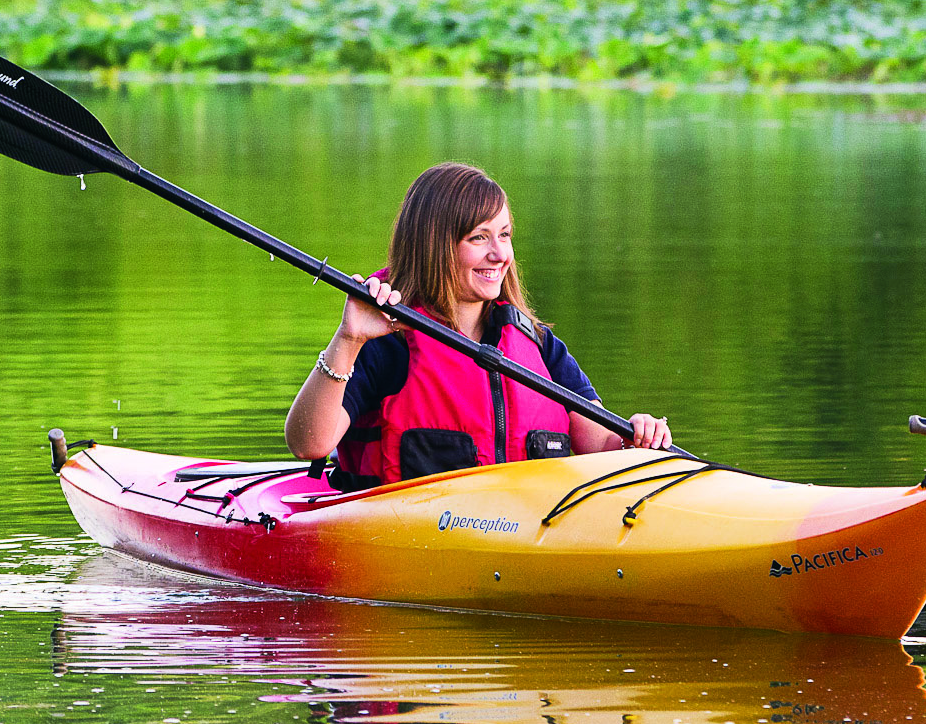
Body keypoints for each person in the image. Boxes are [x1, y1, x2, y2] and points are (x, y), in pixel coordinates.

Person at [285, 162, 671, 488]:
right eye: (479, 237)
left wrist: (636, 437)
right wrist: (349, 338)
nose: (499, 254)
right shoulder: (389, 343)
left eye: (504, 235)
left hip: (530, 524)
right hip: (411, 532)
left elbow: (600, 445)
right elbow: (309, 444)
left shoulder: (538, 344)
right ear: (435, 245)